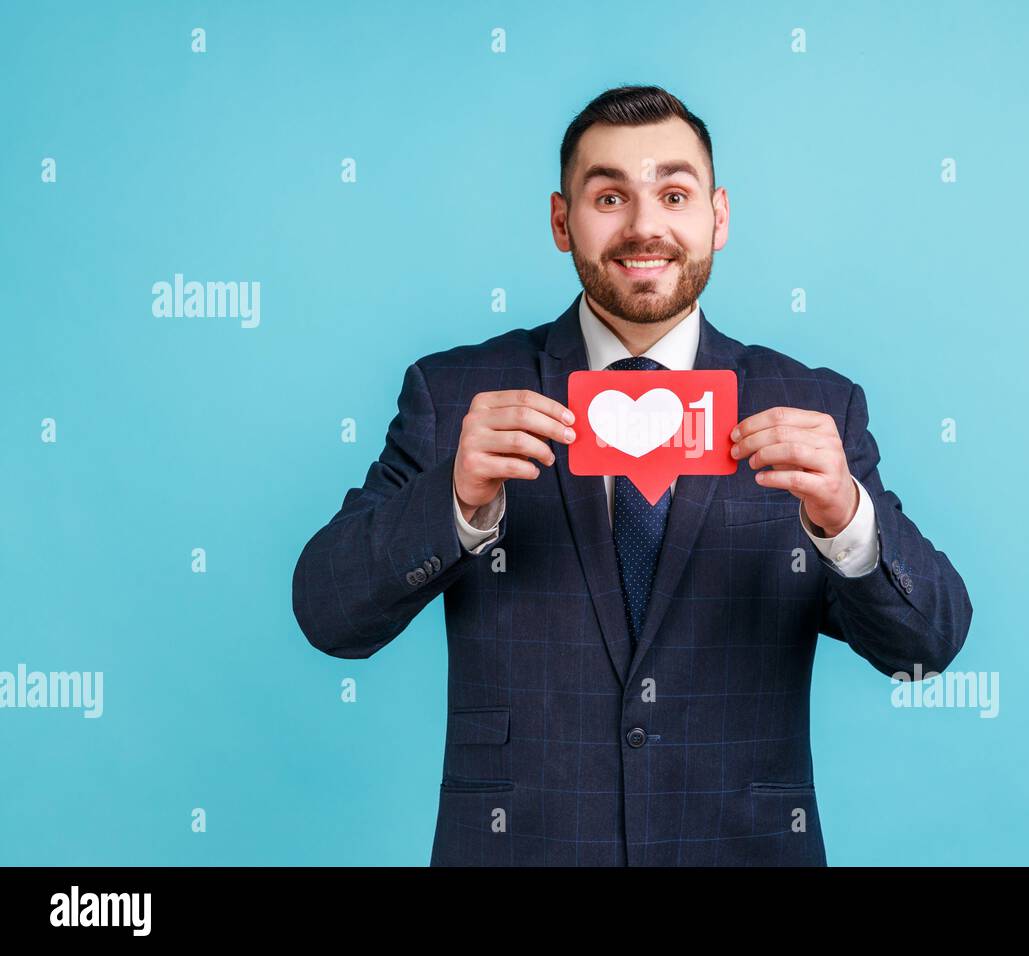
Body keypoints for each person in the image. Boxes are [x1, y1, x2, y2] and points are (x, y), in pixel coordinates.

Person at [292, 85, 973, 866]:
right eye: (609, 195)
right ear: (561, 221)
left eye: (673, 194)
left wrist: (847, 520)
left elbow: (929, 645)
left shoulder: (817, 406)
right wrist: (452, 500)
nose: (645, 225)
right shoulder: (457, 397)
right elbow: (327, 614)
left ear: (718, 217)